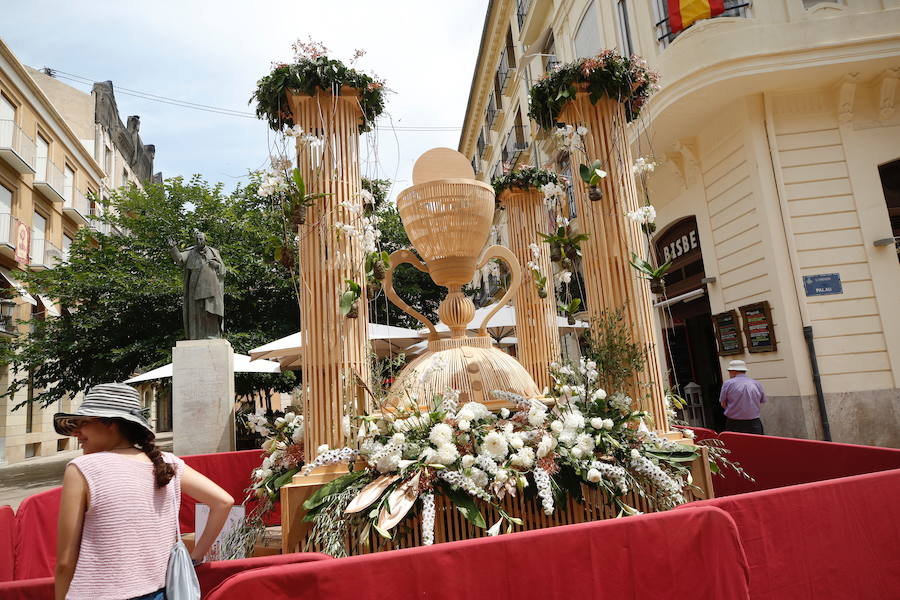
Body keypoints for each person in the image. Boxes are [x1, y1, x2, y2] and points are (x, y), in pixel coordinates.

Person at [53, 383, 234, 600]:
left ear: (111, 423)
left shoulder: (82, 468)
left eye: (83, 423)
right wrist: (195, 557)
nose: (76, 432)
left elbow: (65, 562)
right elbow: (223, 502)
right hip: (160, 593)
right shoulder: (168, 462)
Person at [168, 230, 226, 340]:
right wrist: (173, 248)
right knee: (196, 312)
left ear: (205, 240)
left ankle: (212, 335)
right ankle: (196, 336)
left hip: (211, 287)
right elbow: (179, 259)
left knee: (210, 311)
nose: (199, 241)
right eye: (197, 239)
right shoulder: (190, 252)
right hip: (194, 286)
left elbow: (223, 270)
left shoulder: (214, 252)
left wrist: (217, 265)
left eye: (201, 239)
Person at [719, 359, 767, 435]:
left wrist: (733, 410)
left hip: (734, 423)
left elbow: (723, 403)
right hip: (754, 422)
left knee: (736, 445)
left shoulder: (728, 383)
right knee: (757, 445)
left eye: (729, 371)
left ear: (733, 371)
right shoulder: (756, 383)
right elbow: (762, 400)